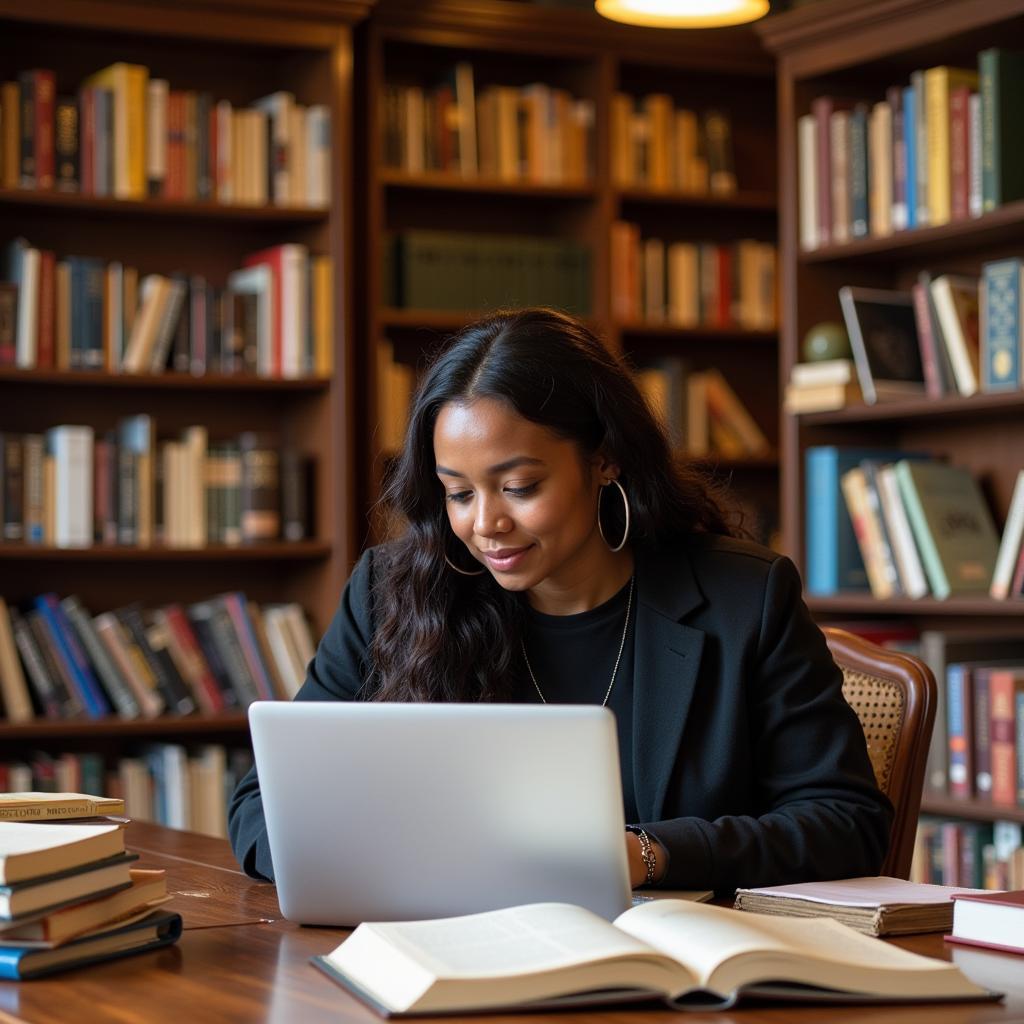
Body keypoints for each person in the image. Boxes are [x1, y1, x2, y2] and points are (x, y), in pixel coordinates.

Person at [228, 307, 892, 892]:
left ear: (605, 460)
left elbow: (846, 823)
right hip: (448, 948)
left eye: (517, 486)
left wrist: (647, 855)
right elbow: (264, 802)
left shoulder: (745, 598)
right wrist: (375, 862)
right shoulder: (391, 592)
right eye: (458, 492)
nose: (485, 523)